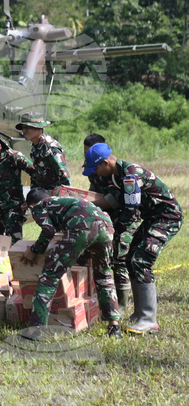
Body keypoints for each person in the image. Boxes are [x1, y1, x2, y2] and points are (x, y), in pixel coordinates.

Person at [84, 143, 183, 334]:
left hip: (167, 218)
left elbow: (130, 211)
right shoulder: (117, 175)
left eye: (96, 168)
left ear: (106, 162)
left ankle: (148, 319)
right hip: (152, 218)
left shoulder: (131, 175)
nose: (95, 173)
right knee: (130, 260)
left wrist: (112, 230)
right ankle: (139, 315)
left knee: (141, 261)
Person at [20, 188, 122, 340]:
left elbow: (48, 231)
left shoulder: (40, 206)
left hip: (82, 227)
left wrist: (35, 249)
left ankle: (35, 330)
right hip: (106, 226)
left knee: (49, 277)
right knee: (104, 275)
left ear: (31, 206)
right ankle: (114, 326)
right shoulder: (62, 201)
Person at [83, 133, 138, 311]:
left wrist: (90, 203)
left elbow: (115, 199)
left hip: (124, 218)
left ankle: (121, 306)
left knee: (120, 259)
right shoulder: (94, 167)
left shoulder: (119, 173)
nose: (88, 159)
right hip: (106, 217)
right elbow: (94, 191)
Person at [0, 134, 35, 243]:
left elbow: (35, 173)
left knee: (13, 243)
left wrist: (30, 199)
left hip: (14, 208)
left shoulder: (14, 157)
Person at [16, 112, 70, 193]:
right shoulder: (36, 147)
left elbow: (65, 178)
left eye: (28, 127)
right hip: (42, 195)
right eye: (23, 128)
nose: (24, 131)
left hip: (54, 197)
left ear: (39, 128)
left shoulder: (50, 148)